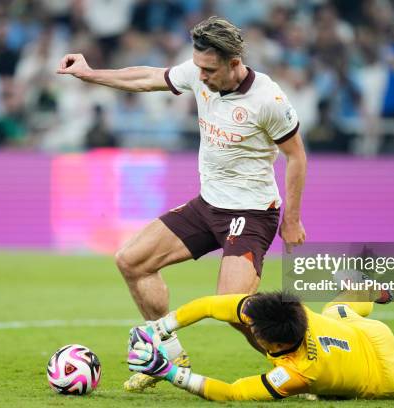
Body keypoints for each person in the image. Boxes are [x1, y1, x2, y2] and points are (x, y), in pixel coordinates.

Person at [56, 16, 307, 390]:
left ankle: (304, 366)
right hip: (208, 206)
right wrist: (90, 75)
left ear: (234, 62)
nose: (200, 76)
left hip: (251, 214)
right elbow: (147, 78)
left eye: (209, 69)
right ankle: (171, 356)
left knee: (234, 309)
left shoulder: (268, 99)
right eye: (198, 67)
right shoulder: (198, 72)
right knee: (132, 260)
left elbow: (297, 157)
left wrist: (292, 219)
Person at [126, 291, 394, 401]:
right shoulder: (287, 310)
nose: (250, 331)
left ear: (276, 342)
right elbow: (214, 306)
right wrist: (162, 328)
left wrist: (170, 373)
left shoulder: (299, 372)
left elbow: (232, 392)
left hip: (380, 371)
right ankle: (376, 292)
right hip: (360, 332)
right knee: (337, 306)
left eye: (256, 335)